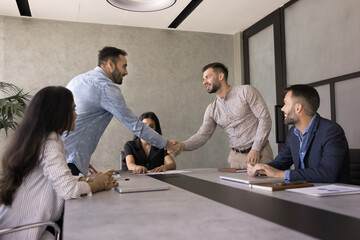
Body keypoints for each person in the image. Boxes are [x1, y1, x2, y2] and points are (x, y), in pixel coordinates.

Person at [0, 86, 118, 240]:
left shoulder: (42, 139)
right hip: (23, 233)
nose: (76, 115)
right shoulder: (49, 142)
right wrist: (99, 185)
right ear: (58, 113)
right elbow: (68, 190)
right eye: (73, 110)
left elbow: (54, 179)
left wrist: (91, 179)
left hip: (26, 229)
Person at [62, 46, 181, 176]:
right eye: (124, 66)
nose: (126, 72)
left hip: (61, 156)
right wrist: (167, 144)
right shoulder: (105, 87)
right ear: (110, 65)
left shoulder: (78, 80)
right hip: (71, 160)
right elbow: (136, 126)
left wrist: (82, 161)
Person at [170, 62, 273, 168]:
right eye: (203, 79)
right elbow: (202, 136)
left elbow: (265, 118)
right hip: (235, 158)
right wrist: (181, 146)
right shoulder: (211, 109)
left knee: (262, 185)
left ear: (220, 76)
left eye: (207, 77)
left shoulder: (246, 91)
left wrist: (256, 149)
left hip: (259, 153)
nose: (204, 82)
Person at [247, 84, 350, 183]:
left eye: (285, 103)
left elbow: (328, 173)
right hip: (304, 191)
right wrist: (260, 168)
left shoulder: (331, 131)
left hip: (331, 196)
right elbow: (280, 163)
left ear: (298, 108)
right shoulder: (293, 133)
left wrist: (280, 174)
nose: (282, 108)